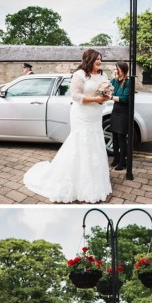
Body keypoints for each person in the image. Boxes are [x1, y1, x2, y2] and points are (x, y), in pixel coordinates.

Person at [23, 49, 112, 203]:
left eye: (101, 59)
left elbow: (107, 92)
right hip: (82, 114)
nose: (99, 61)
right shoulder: (79, 75)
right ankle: (75, 182)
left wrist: (105, 97)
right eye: (97, 59)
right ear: (89, 60)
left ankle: (94, 181)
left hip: (96, 115)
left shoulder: (103, 76)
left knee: (95, 144)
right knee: (81, 143)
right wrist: (95, 99)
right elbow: (76, 96)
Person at [110, 61, 131, 171]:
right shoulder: (115, 81)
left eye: (117, 68)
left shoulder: (128, 82)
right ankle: (116, 158)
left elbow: (124, 98)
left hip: (124, 112)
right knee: (114, 137)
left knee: (121, 137)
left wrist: (111, 97)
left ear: (123, 69)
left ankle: (123, 162)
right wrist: (114, 78)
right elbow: (108, 91)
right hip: (115, 111)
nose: (115, 70)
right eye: (115, 68)